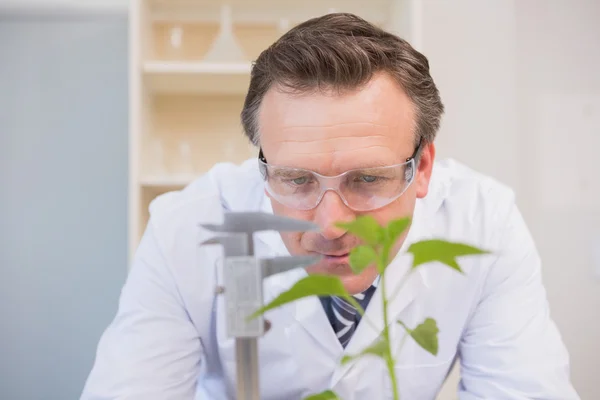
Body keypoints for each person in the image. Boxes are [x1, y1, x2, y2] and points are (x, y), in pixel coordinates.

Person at [81, 13, 579, 400]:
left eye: (367, 179)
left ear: (422, 168)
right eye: (295, 179)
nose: (331, 223)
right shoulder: (186, 229)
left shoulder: (482, 223)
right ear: (263, 165)